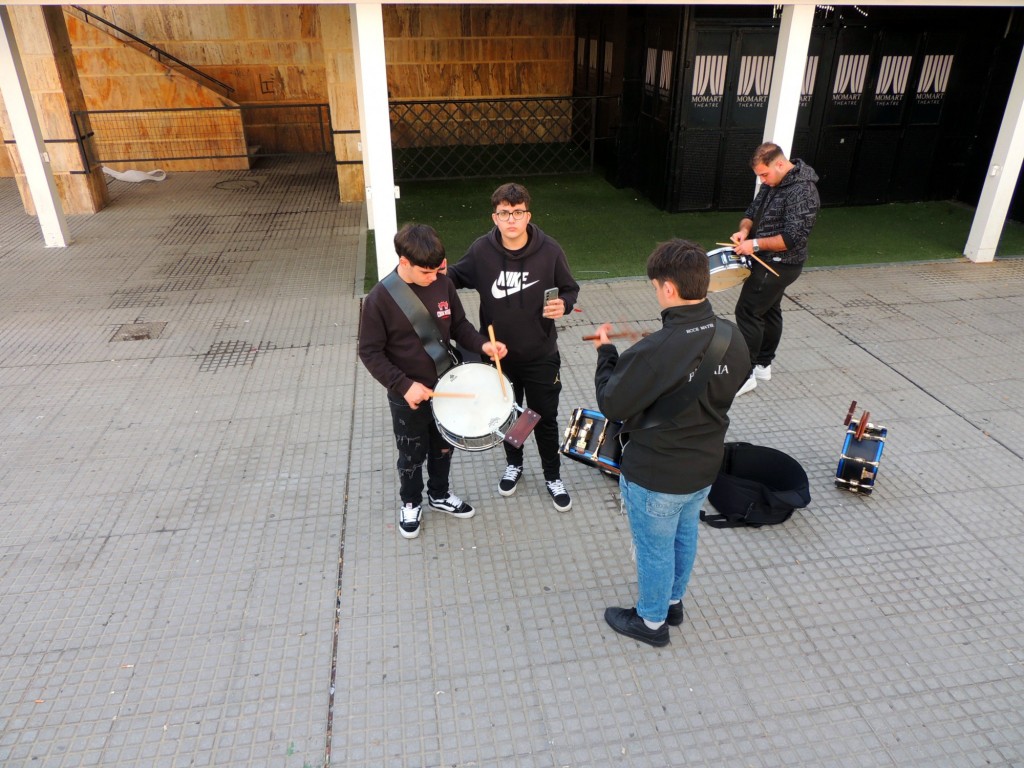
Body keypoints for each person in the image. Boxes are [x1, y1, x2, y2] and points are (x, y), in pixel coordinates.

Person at [591, 239, 749, 647]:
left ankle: (652, 623)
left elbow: (612, 402)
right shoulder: (732, 335)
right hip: (705, 464)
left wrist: (607, 353)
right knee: (684, 535)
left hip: (657, 472)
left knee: (654, 548)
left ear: (667, 289)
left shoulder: (656, 349)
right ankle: (673, 601)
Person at [358, 223, 507, 540]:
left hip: (446, 383)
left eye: (438, 270)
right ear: (404, 263)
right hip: (406, 392)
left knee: (443, 447)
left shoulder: (443, 283)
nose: (434, 278)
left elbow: (460, 326)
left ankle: (439, 494)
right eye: (426, 272)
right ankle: (410, 502)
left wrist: (482, 344)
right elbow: (369, 352)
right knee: (411, 453)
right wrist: (403, 384)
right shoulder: (379, 299)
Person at [446, 182, 580, 512]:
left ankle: (552, 475)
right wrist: (431, 273)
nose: (511, 219)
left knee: (544, 418)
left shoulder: (549, 250)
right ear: (495, 217)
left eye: (517, 212)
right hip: (497, 357)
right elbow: (453, 278)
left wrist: (563, 304)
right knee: (506, 415)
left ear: (527, 215)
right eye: (504, 213)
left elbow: (569, 289)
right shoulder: (481, 251)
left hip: (540, 355)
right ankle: (514, 465)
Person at [729, 142, 819, 396]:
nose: (763, 180)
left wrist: (754, 244)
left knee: (748, 311)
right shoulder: (773, 182)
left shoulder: (804, 191)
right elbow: (752, 211)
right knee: (769, 309)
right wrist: (744, 231)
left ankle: (744, 375)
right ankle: (763, 364)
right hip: (767, 259)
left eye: (764, 174)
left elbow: (792, 238)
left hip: (780, 263)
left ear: (780, 164)